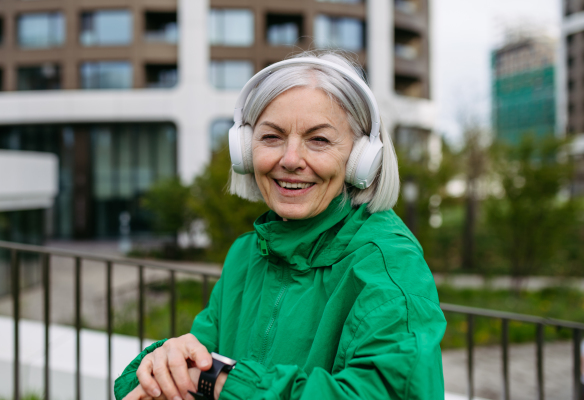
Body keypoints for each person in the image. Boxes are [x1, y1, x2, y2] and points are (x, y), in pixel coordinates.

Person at [115, 51, 446, 400]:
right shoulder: (246, 254)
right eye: (271, 137)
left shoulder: (390, 264)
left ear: (361, 159)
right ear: (245, 150)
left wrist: (230, 384)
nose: (289, 160)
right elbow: (197, 368)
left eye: (318, 140)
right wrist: (161, 365)